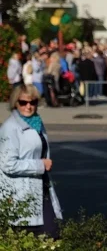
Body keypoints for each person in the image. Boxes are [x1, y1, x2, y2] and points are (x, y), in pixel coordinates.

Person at [0, 85, 62, 238]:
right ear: (15, 103)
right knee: (42, 235)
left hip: (41, 186)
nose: (29, 106)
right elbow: (8, 164)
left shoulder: (37, 123)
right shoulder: (10, 128)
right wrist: (41, 165)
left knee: (52, 234)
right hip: (22, 191)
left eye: (33, 102)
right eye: (23, 102)